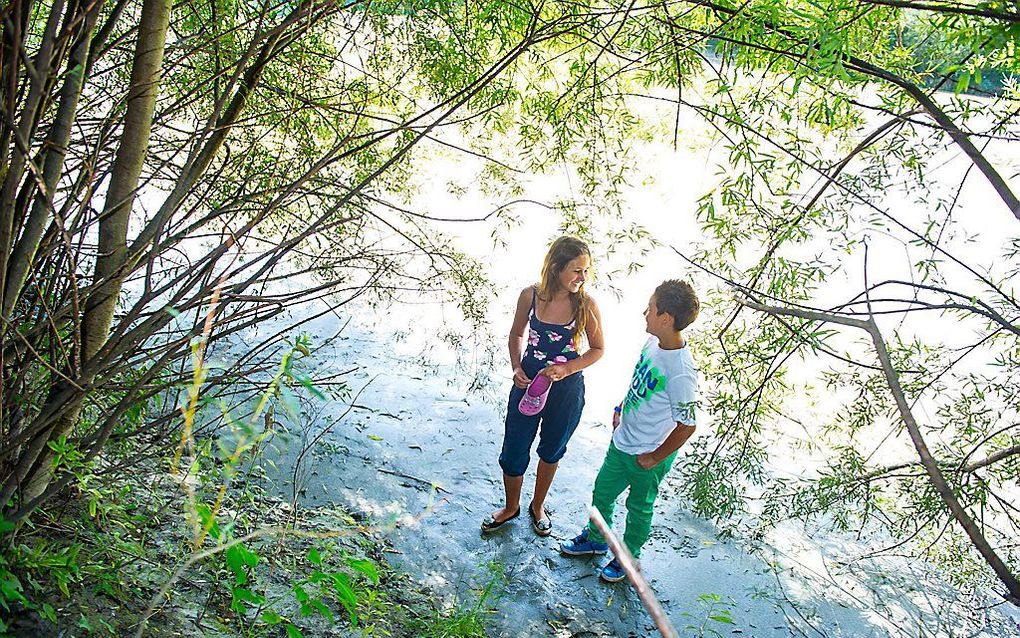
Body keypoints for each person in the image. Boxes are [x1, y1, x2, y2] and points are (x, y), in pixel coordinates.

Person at [559, 279, 699, 582]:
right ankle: (596, 540)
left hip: (648, 455)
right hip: (622, 441)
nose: (643, 313)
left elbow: (688, 424)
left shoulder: (681, 372)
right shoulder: (653, 342)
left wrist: (654, 457)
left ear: (666, 318)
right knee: (602, 494)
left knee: (639, 508)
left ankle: (628, 556)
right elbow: (640, 378)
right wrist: (621, 407)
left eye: (649, 309)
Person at [481, 236, 605, 537]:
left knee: (551, 449)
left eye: (586, 271)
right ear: (556, 267)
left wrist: (566, 368)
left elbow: (598, 349)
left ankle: (538, 506)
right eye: (576, 270)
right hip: (529, 381)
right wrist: (516, 368)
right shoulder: (530, 296)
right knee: (513, 449)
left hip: (566, 388)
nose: (582, 277)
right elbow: (515, 335)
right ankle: (511, 507)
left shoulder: (585, 304)